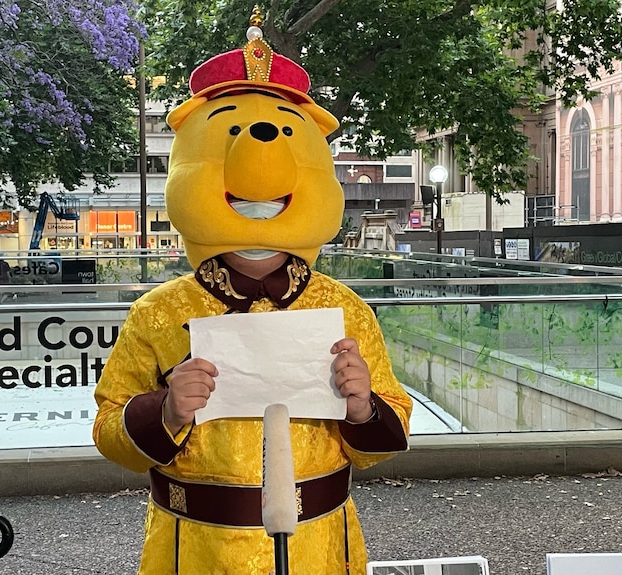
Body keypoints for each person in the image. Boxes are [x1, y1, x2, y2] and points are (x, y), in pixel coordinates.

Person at [93, 9, 412, 574]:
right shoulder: (159, 314)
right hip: (195, 547)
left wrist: (363, 406)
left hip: (321, 545)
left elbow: (381, 445)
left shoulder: (344, 310)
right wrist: (165, 410)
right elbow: (110, 434)